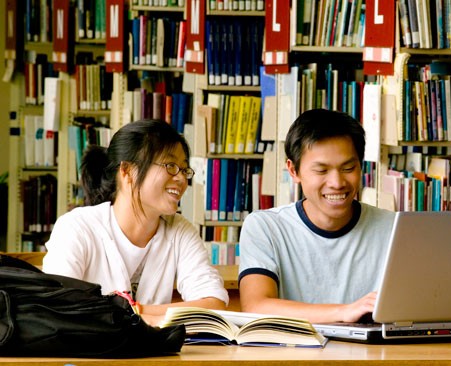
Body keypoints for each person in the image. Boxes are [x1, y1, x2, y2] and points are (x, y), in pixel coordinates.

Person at [43, 119, 228, 325]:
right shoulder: (77, 227)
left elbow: (214, 304)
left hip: (155, 355)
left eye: (184, 169)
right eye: (170, 166)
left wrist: (137, 312)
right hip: (88, 355)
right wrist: (152, 320)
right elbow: (57, 307)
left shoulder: (180, 230)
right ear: (127, 171)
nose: (181, 179)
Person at [238, 109, 395, 323]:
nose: (337, 183)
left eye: (348, 168)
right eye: (321, 171)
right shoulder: (265, 227)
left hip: (377, 354)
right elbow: (256, 306)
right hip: (292, 353)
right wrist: (344, 312)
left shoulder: (394, 228)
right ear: (294, 171)